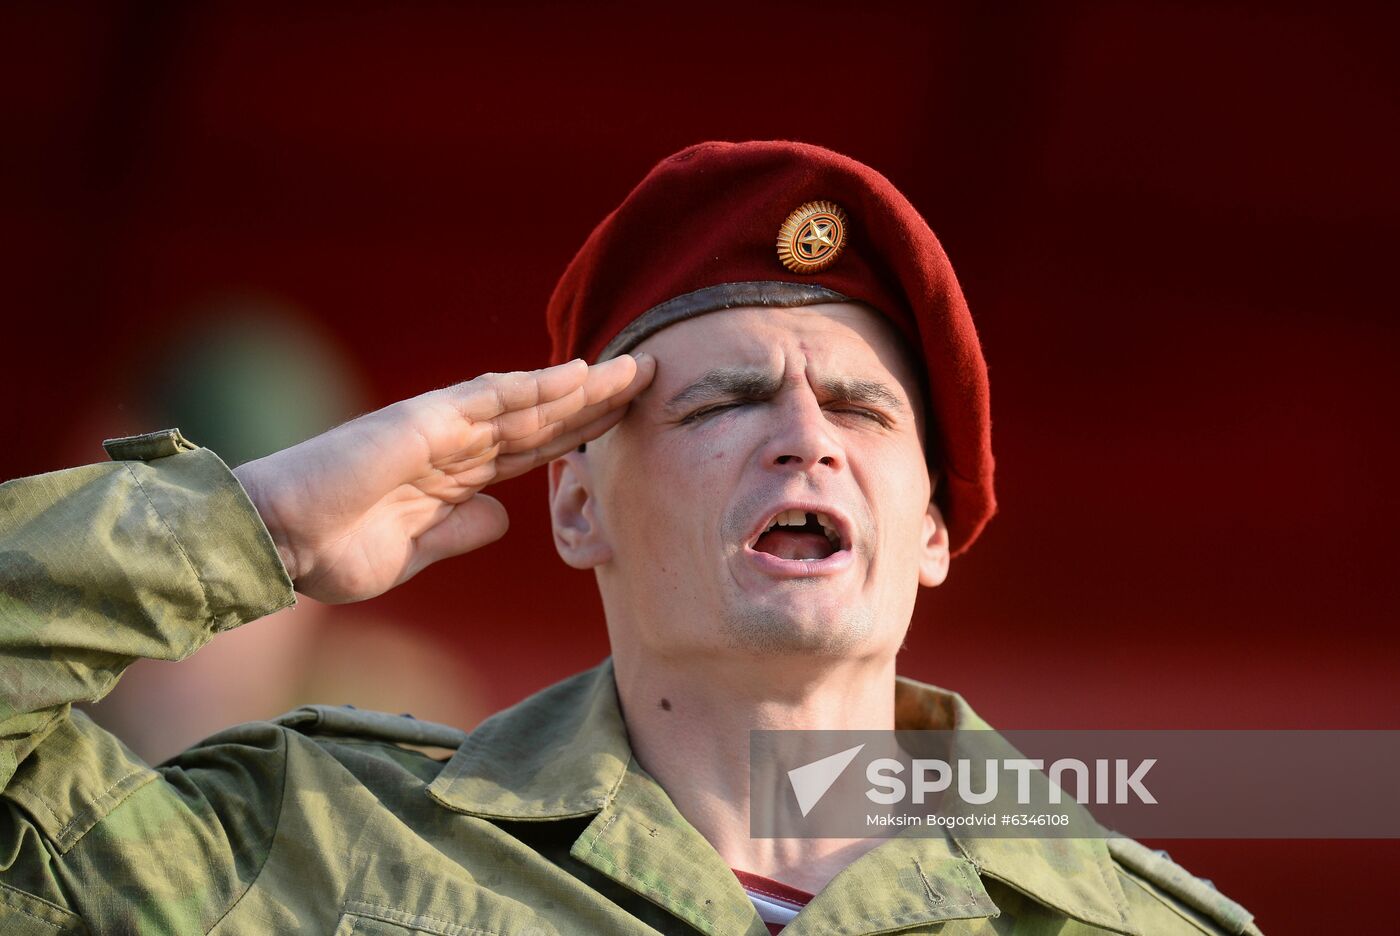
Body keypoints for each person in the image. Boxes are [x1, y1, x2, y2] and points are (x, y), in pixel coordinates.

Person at [0, 142, 1260, 935]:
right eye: (723, 402)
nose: (805, 439)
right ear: (576, 505)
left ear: (931, 528)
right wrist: (260, 525)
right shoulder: (307, 845)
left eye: (862, 409)